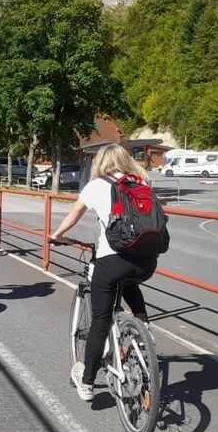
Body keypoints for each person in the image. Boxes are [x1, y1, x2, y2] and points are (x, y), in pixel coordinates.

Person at [50, 144, 158, 402]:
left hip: (112, 262)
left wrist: (57, 235)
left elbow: (73, 217)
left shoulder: (96, 185)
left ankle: (87, 382)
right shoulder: (141, 182)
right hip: (147, 262)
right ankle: (143, 325)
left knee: (100, 320)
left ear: (100, 163)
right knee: (129, 282)